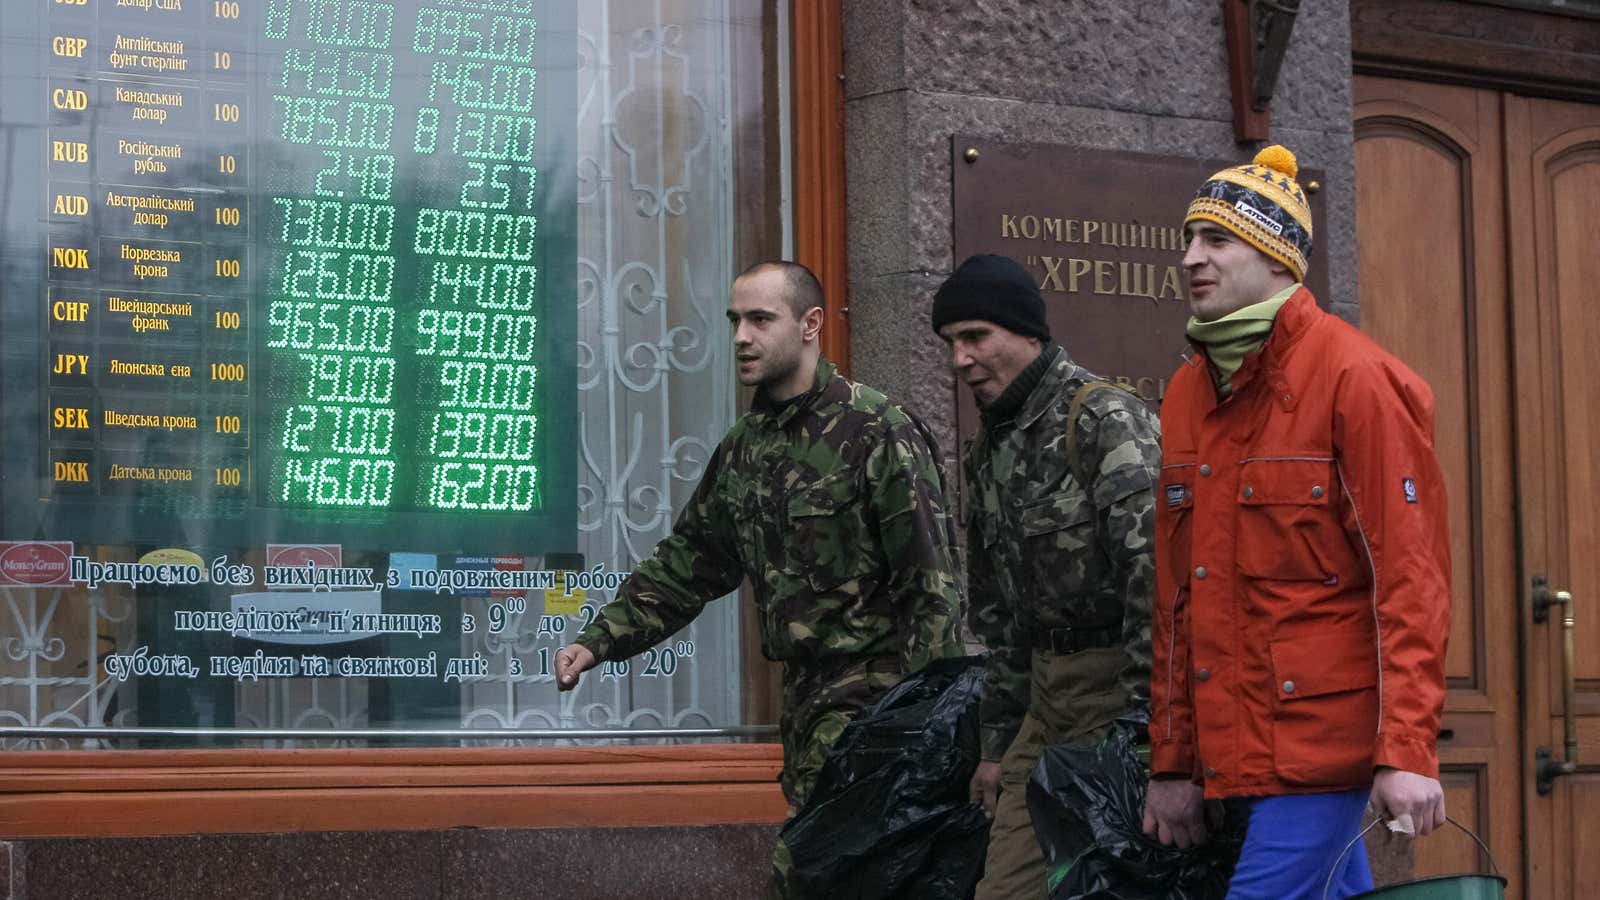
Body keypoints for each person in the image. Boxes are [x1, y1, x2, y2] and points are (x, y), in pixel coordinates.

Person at [554, 260, 966, 897]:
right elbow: (690, 562)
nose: (741, 336)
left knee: (811, 875)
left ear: (811, 325)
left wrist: (926, 730)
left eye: (760, 319)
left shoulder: (877, 431)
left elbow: (931, 583)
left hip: (875, 703)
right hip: (803, 705)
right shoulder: (747, 448)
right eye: (734, 321)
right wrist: (600, 639)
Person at [1143, 145, 1452, 899]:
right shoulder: (1190, 390)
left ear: (1279, 259)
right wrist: (1174, 760)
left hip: (1329, 746)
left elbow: (1408, 579)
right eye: (1188, 240)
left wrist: (1406, 748)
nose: (1191, 258)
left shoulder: (1357, 379)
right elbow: (1178, 602)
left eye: (1216, 240)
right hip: (1240, 744)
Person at [931, 253, 1161, 900]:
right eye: (951, 343)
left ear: (1027, 333)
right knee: (1005, 889)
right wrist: (998, 745)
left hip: (1118, 692)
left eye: (976, 337)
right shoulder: (989, 451)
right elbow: (1001, 616)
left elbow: (1160, 583)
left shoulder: (1102, 421)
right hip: (1042, 698)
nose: (960, 360)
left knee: (1119, 885)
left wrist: (1152, 736)